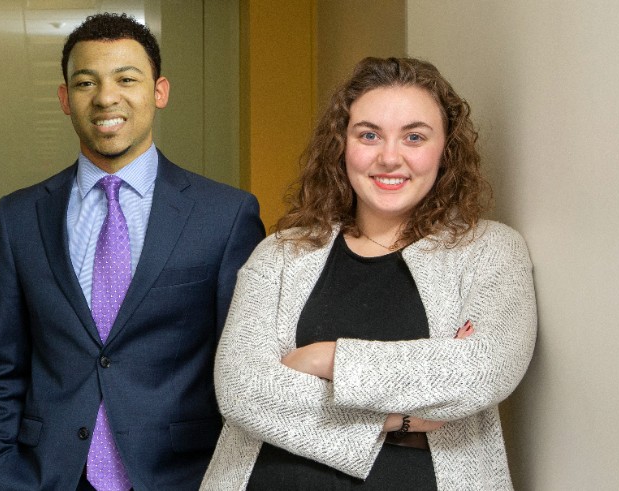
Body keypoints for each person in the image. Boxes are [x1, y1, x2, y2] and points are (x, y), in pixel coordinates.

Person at [200, 57, 537, 490]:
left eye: (414, 136)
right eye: (369, 135)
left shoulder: (491, 251)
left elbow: (481, 370)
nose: (389, 157)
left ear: (446, 149)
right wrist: (401, 419)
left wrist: (328, 358)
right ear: (341, 144)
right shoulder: (280, 254)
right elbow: (241, 389)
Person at [0, 13, 265, 490]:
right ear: (66, 99)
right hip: (50, 478)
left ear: (159, 91)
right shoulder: (20, 217)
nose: (106, 97)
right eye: (87, 82)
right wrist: (2, 474)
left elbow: (245, 368)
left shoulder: (225, 216)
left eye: (127, 79)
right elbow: (1, 368)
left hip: (181, 477)